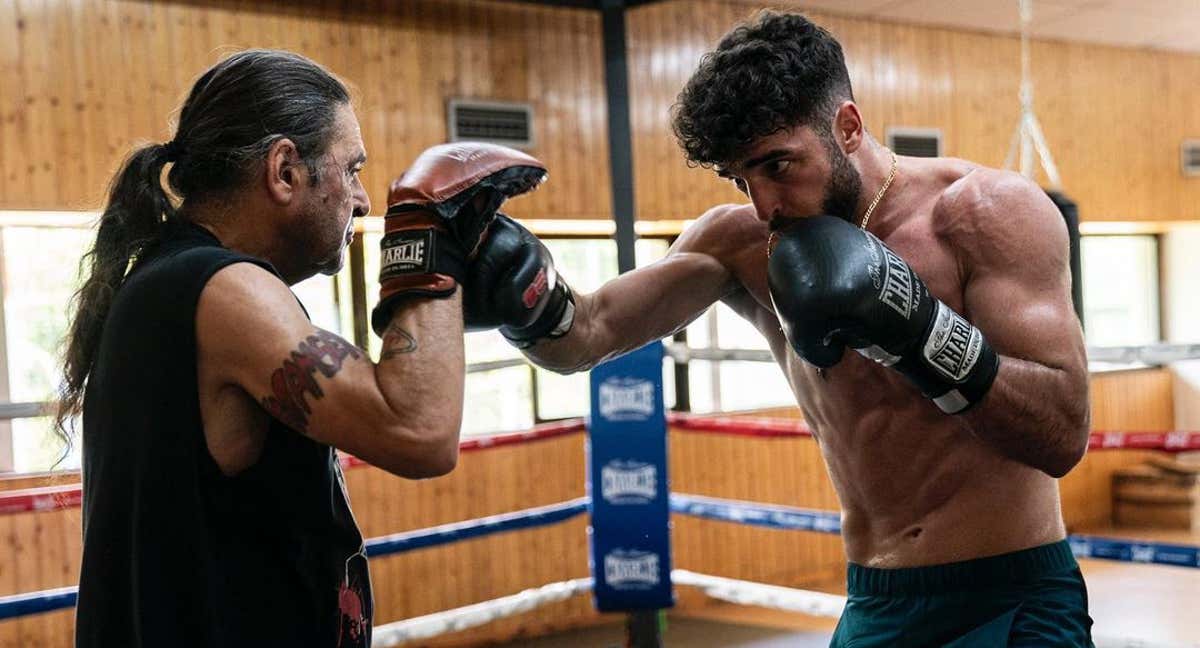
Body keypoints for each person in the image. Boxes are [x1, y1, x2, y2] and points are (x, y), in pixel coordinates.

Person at [464, 12, 1094, 647]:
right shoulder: (741, 244)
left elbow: (1062, 433)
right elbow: (587, 334)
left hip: (1013, 598)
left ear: (847, 127)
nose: (764, 204)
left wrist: (921, 332)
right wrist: (518, 292)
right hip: (876, 602)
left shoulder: (984, 215)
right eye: (741, 179)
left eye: (778, 165)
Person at [57, 49, 544, 647]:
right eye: (352, 169)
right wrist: (429, 241)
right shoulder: (223, 290)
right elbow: (420, 433)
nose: (363, 200)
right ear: (285, 169)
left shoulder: (172, 281)